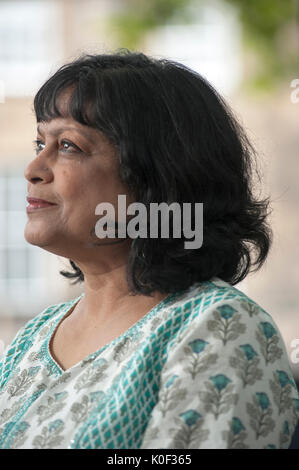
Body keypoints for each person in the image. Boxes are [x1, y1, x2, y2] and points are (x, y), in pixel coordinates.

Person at [0, 49, 298, 449]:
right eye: (40, 141)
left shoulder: (219, 326)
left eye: (68, 146)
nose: (32, 167)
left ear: (155, 182)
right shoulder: (33, 337)